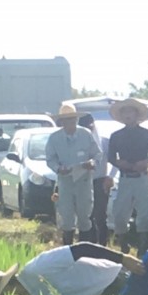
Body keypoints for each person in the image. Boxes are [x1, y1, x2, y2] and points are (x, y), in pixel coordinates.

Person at [0, 243, 147, 295]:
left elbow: (81, 249)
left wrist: (123, 258)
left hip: (114, 281)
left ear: (10, 285)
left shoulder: (38, 268)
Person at [107, 98, 148, 254]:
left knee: (144, 214)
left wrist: (146, 162)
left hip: (142, 177)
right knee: (119, 214)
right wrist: (120, 164)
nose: (127, 115)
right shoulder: (116, 136)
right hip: (125, 178)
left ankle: (142, 248)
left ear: (137, 115)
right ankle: (124, 245)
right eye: (124, 112)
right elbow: (111, 157)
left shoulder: (147, 134)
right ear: (121, 116)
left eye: (130, 112)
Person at [46, 104, 101, 245]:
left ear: (76, 119)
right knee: (67, 216)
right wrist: (58, 168)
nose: (71, 122)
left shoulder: (86, 134)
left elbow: (97, 154)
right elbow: (50, 159)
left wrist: (92, 163)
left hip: (84, 180)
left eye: (73, 119)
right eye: (67, 120)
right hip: (65, 180)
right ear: (62, 122)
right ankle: (68, 249)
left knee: (85, 215)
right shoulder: (54, 138)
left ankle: (85, 249)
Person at [78, 114, 112, 246]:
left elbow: (113, 161)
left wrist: (110, 177)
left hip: (100, 181)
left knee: (100, 216)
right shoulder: (78, 144)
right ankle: (88, 245)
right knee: (86, 215)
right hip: (83, 181)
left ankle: (103, 245)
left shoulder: (104, 141)